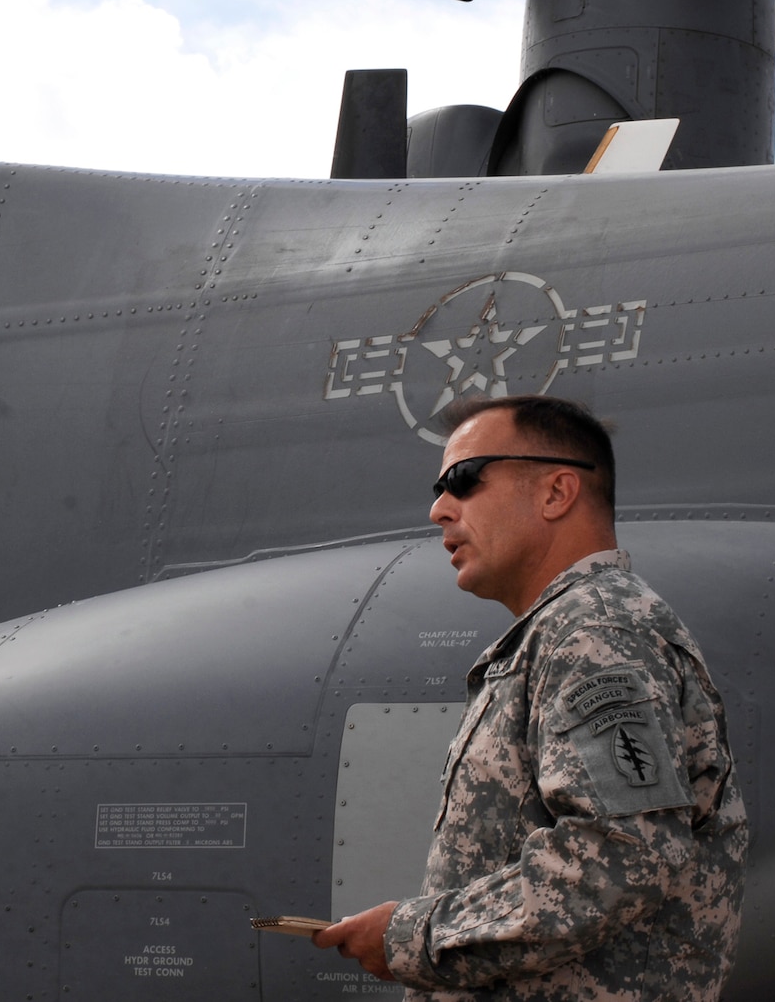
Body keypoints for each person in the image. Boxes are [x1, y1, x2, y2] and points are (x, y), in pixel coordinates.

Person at [316, 394, 748, 999]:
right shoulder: (567, 632)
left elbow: (618, 856)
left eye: (463, 479)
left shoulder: (596, 633)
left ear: (556, 492)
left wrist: (413, 937)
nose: (440, 509)